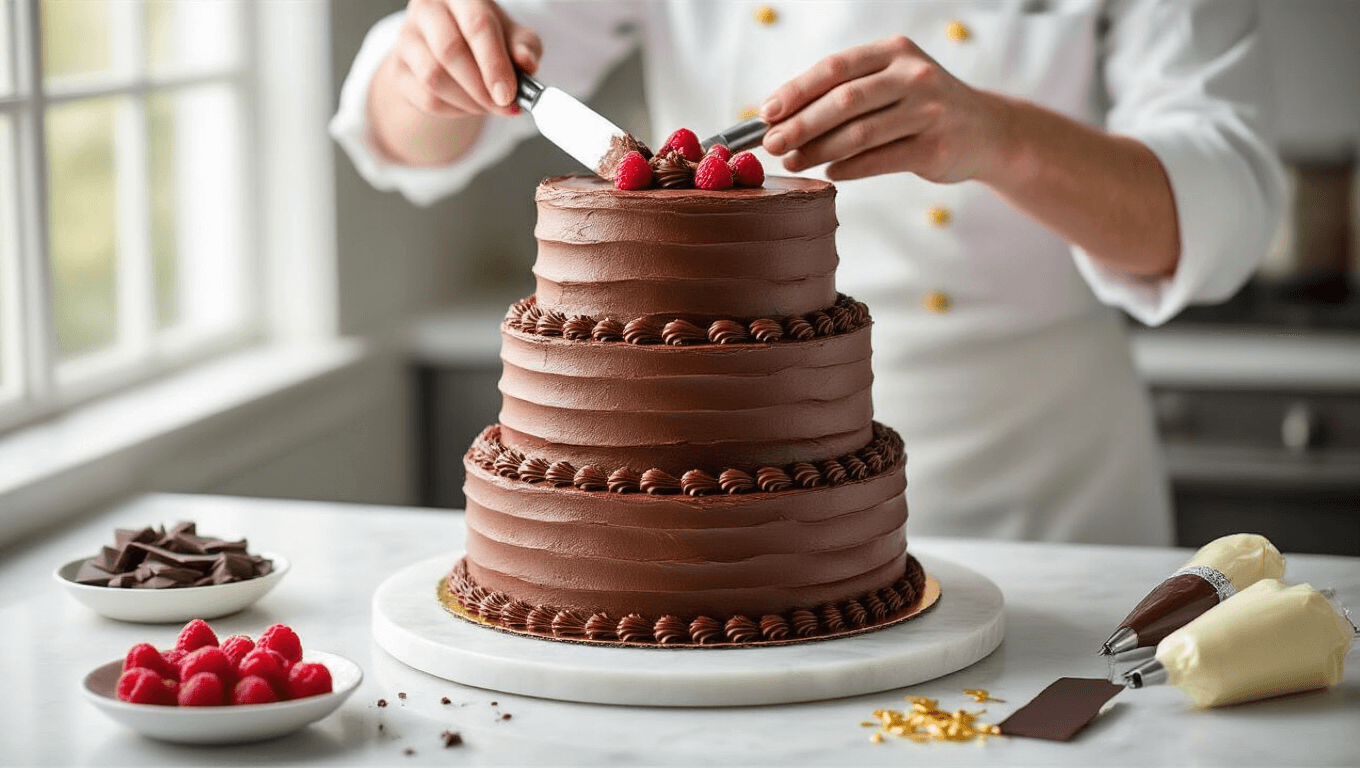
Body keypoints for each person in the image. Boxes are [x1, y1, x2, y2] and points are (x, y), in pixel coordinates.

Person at [330, 0, 1285, 545]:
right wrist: (434, 68)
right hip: (724, 470)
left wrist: (1001, 137)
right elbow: (410, 135)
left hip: (1040, 479)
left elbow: (1227, 207)